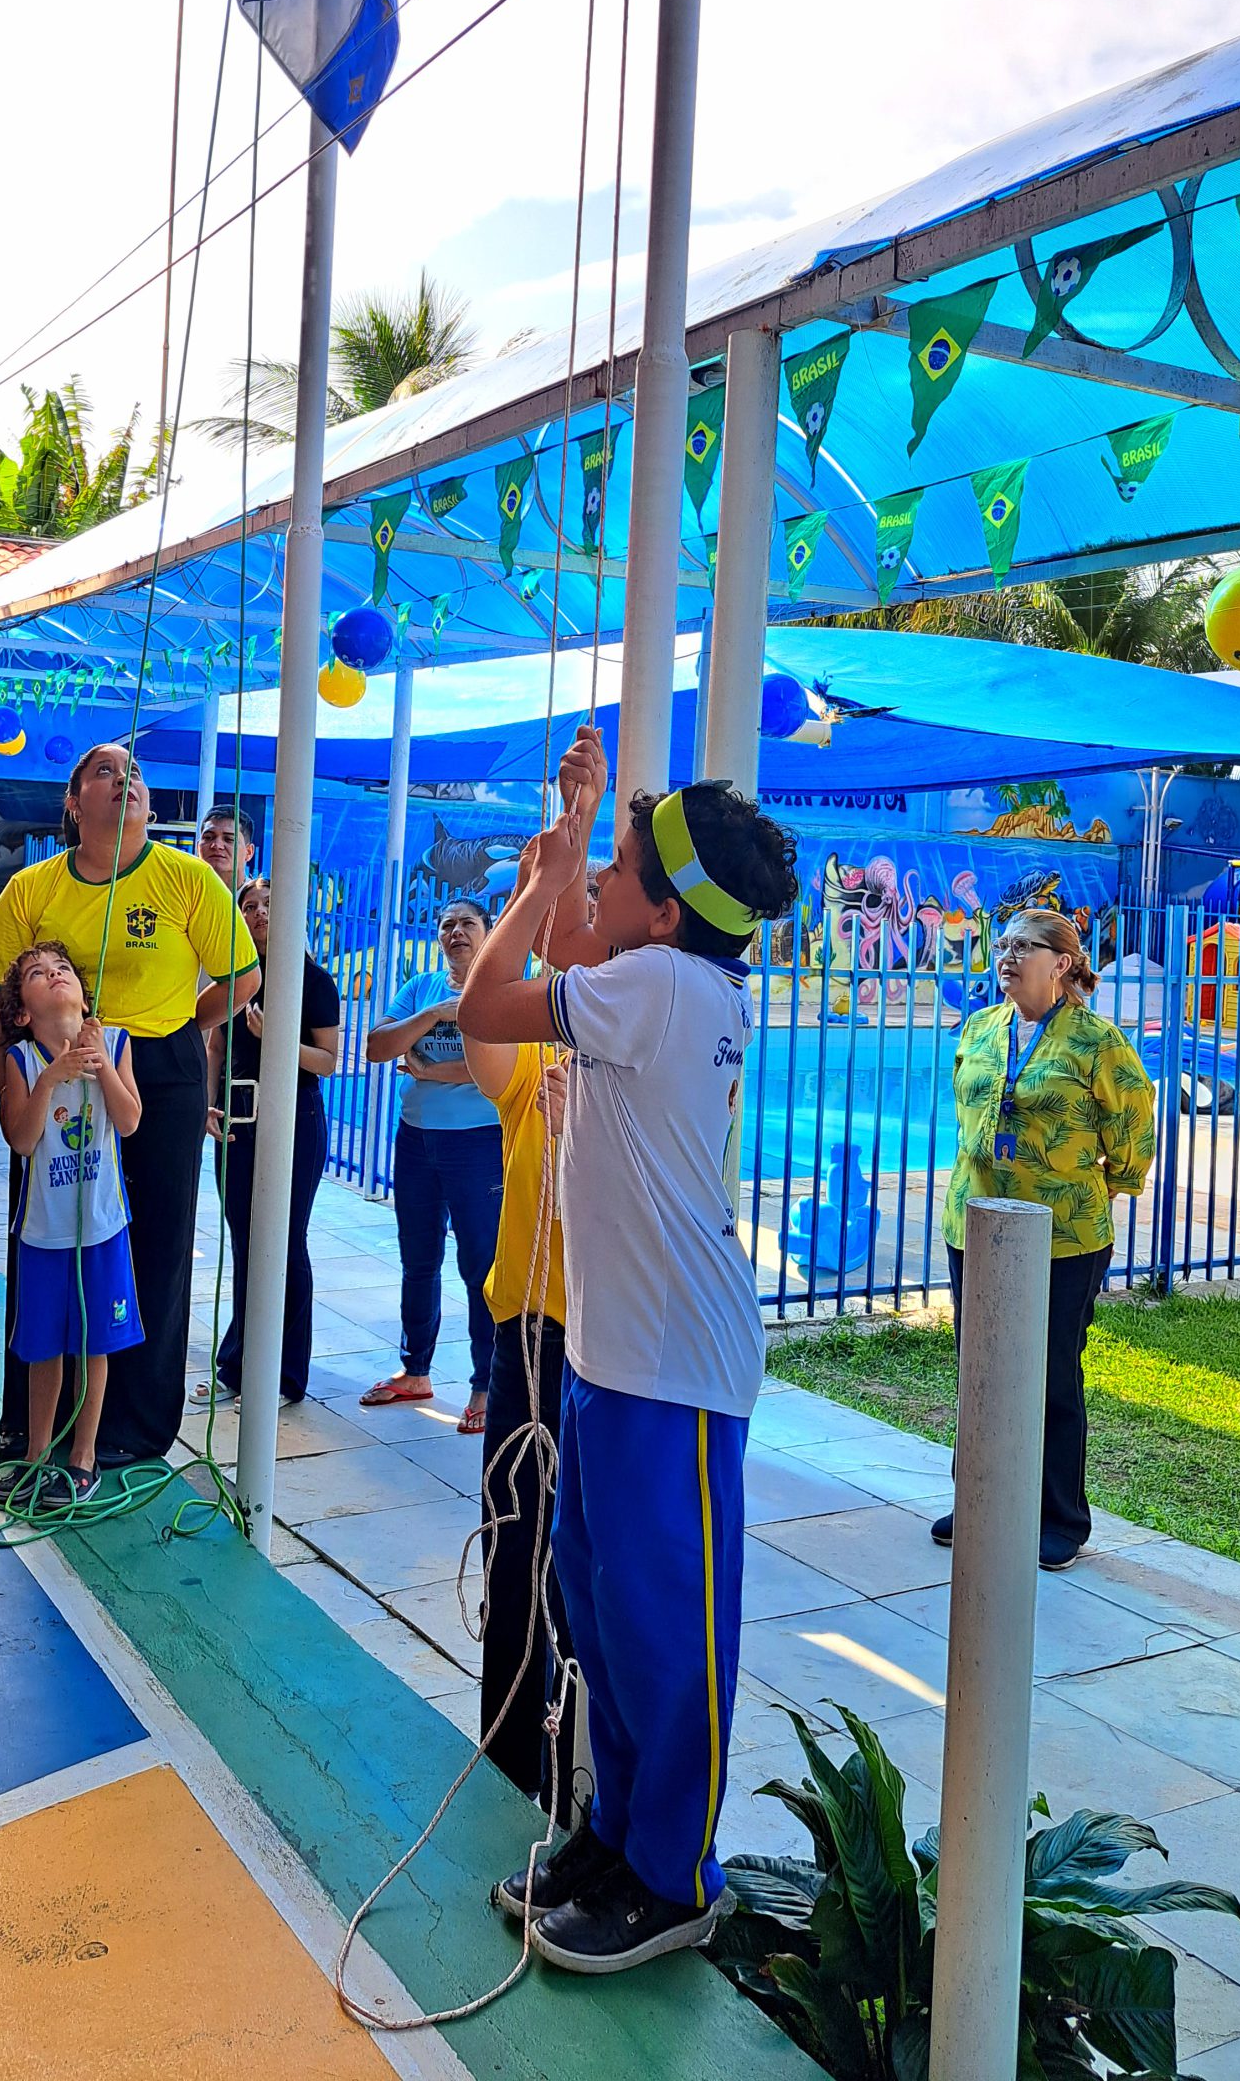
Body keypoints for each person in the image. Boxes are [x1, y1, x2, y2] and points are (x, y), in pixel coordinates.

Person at [460, 727, 800, 1975]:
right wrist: (563, 860)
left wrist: (544, 883)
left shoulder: (657, 986)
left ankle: (673, 1876)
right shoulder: (669, 977)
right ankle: (614, 1835)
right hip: (617, 1355)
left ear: (661, 915)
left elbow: (488, 1001)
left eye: (618, 869)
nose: (597, 878)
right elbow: (566, 948)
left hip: (674, 1369)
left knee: (666, 1629)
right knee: (600, 1611)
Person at [0, 744, 258, 1467]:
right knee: (46, 1239)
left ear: (150, 804)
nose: (123, 780)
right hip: (58, 1076)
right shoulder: (32, 889)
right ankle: (32, 1425)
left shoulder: (188, 878)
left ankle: (132, 1426)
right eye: (102, 771)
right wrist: (17, 1085)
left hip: (154, 1074)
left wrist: (173, 1032)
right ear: (73, 803)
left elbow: (242, 978)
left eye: (135, 773)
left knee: (154, 1246)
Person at [930, 907, 1156, 1571]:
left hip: (1064, 1236)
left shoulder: (1097, 1041)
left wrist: (1109, 1182)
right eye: (1003, 943)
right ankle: (980, 1500)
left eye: (1024, 945)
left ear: (1062, 962)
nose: (1007, 955)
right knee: (980, 1368)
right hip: (975, 1224)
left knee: (1051, 1373)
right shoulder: (980, 1026)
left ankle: (1059, 1519)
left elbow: (1133, 1126)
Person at [459, 1023, 574, 1808]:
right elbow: (482, 1025)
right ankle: (508, 1769)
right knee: (514, 1552)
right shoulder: (537, 1044)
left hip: (619, 1344)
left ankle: (576, 1784)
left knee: (583, 1575)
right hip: (532, 1333)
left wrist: (591, 1129)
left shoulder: (660, 1031)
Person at [0, 942, 143, 1507]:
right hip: (44, 1231)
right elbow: (22, 1139)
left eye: (62, 969)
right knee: (44, 1348)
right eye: (38, 973)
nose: (54, 975)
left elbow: (129, 1122)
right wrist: (51, 1078)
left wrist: (100, 1064)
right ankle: (37, 1455)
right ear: (23, 1012)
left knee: (95, 1343)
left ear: (84, 997)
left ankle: (83, 1457)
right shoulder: (22, 1061)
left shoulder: (117, 1043)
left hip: (102, 1228)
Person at [359, 899, 502, 1436]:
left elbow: (497, 1068)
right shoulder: (420, 988)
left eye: (468, 923)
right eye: (447, 924)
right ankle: (415, 1370)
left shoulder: (499, 991)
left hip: (478, 1143)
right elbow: (377, 1047)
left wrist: (430, 1071)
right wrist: (433, 1015)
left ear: (488, 932)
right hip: (416, 1139)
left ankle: (486, 1384)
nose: (456, 932)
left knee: (480, 1265)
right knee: (418, 1258)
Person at [195, 876, 340, 1407]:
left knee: (285, 1241)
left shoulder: (312, 981)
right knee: (245, 1240)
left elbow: (327, 1061)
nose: (258, 913)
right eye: (249, 905)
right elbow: (215, 1046)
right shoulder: (234, 981)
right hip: (238, 1114)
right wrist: (207, 1102)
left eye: (269, 904)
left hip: (294, 1116)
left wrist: (277, 1038)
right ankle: (238, 1365)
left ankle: (285, 1375)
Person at [198, 801, 256, 892]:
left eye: (229, 839)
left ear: (249, 852)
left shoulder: (263, 898)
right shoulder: (181, 894)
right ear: (198, 847)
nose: (216, 845)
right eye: (208, 837)